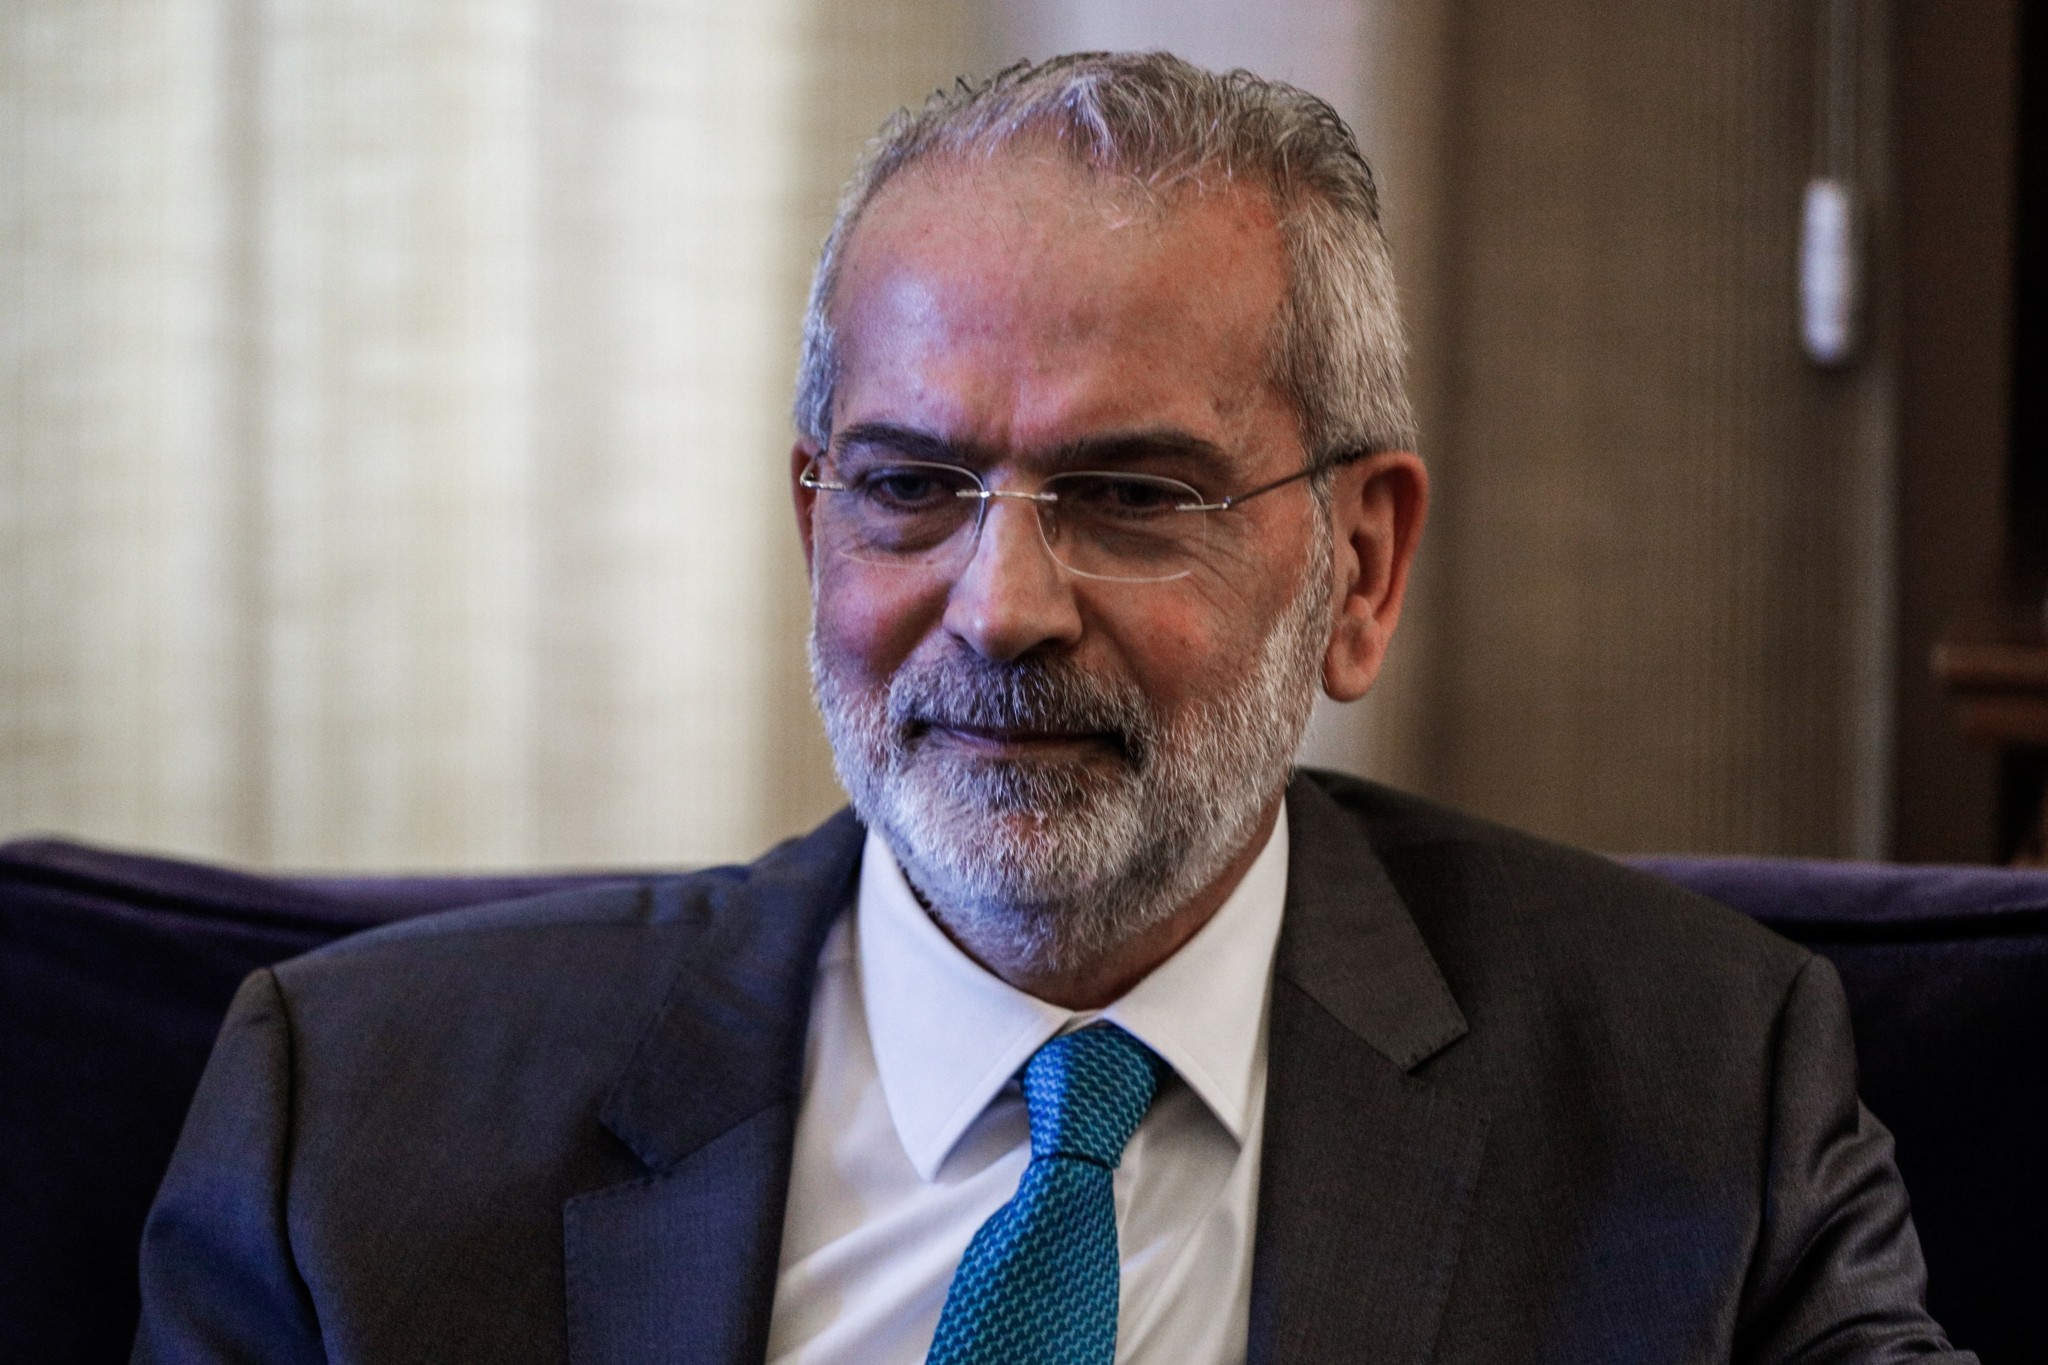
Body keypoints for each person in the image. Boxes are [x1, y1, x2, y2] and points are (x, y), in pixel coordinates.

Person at [133, 53, 1972, 1365]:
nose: (1001, 605)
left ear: (1359, 566)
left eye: (1133, 493)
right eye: (910, 485)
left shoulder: (1697, 1088)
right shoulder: (356, 1121)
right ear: (815, 521)